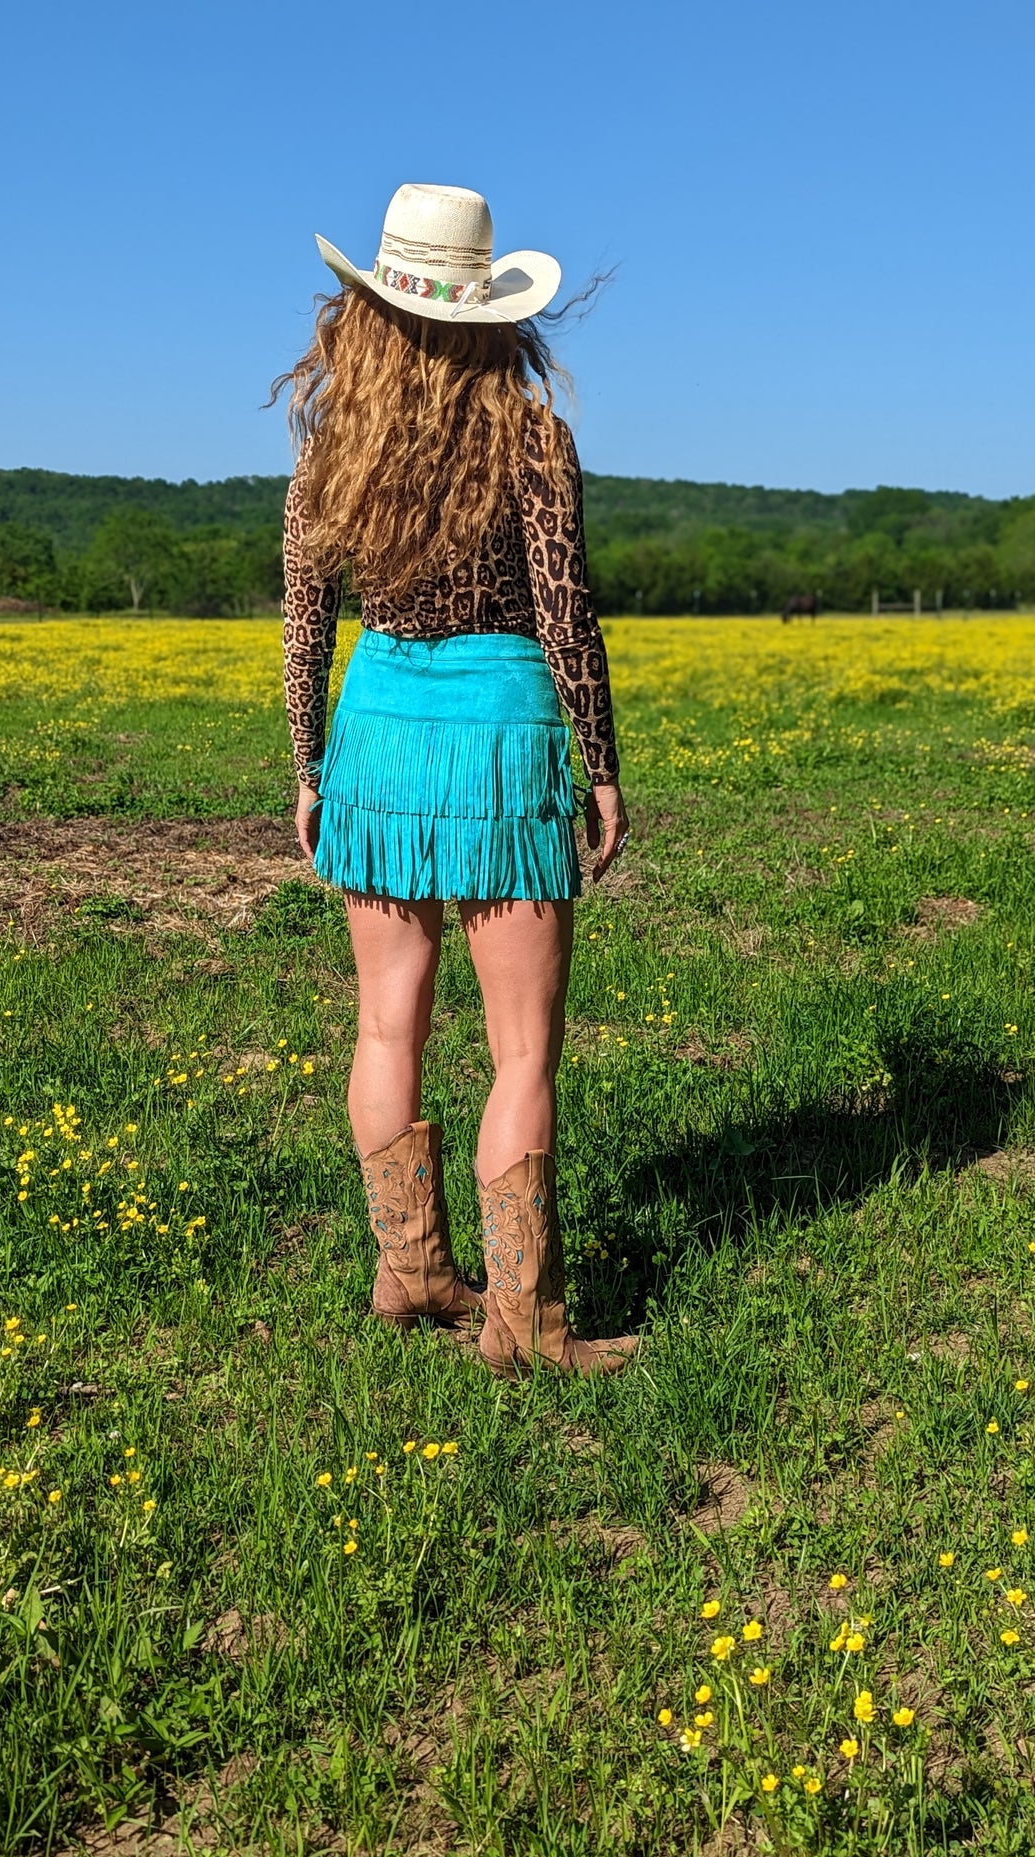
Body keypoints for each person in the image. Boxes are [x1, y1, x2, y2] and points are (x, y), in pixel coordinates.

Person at [275, 182, 637, 1377]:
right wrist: (600, 761)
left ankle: (412, 1271)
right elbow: (562, 605)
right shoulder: (528, 432)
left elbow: (301, 619)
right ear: (491, 312)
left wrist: (308, 764)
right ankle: (521, 1324)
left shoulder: (334, 441)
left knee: (386, 1022)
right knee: (521, 1051)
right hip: (498, 735)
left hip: (374, 734)